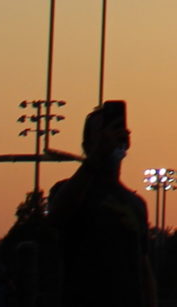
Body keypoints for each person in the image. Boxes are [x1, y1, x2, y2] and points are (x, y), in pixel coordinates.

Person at [44, 101, 157, 307]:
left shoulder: (135, 204)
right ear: (88, 145)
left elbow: (143, 267)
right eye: (104, 131)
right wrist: (97, 156)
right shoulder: (67, 190)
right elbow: (58, 216)